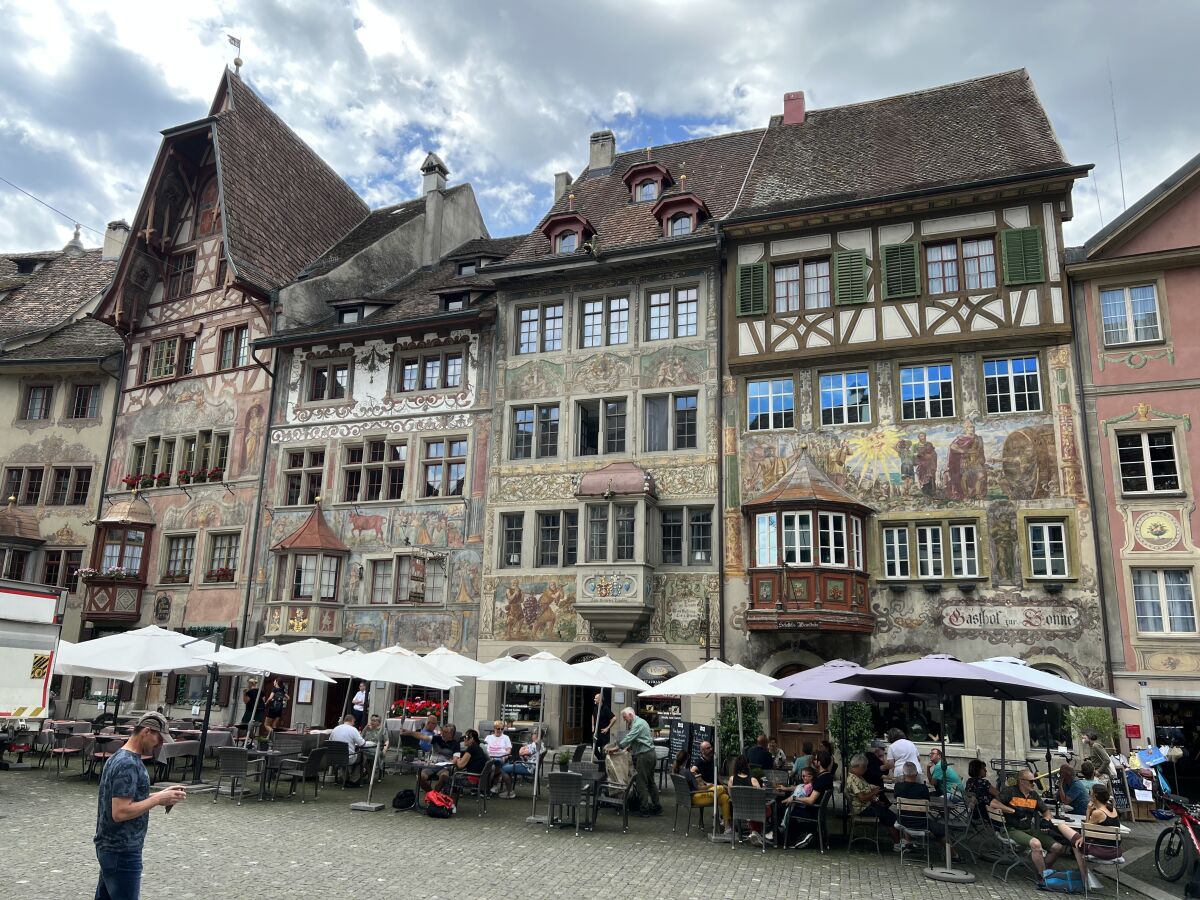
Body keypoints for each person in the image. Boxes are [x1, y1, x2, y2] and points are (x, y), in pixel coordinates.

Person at [93, 712, 187, 900]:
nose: (160, 744)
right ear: (146, 731)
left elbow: (127, 799)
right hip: (122, 851)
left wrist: (160, 795)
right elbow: (120, 812)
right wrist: (157, 800)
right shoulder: (127, 763)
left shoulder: (119, 757)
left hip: (112, 847)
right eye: (159, 738)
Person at [1045, 783, 1119, 892]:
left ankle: (1084, 878)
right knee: (1075, 840)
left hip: (1099, 849)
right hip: (1113, 849)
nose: (1089, 796)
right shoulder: (1112, 810)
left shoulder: (1098, 813)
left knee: (1073, 840)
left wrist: (1088, 810)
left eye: (1090, 793)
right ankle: (1084, 875)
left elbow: (1086, 829)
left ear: (1095, 796)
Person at [991, 768, 1062, 877]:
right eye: (1031, 781)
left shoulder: (1034, 795)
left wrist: (1046, 820)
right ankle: (1044, 877)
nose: (1034, 784)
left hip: (1029, 829)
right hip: (1011, 829)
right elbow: (994, 803)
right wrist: (1012, 810)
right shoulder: (1010, 791)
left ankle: (1043, 872)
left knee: (1057, 847)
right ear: (1022, 781)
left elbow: (1046, 811)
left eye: (1035, 781)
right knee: (1036, 844)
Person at [607, 707, 660, 816]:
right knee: (650, 782)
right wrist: (629, 748)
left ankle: (644, 809)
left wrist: (616, 748)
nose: (625, 720)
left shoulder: (637, 724)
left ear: (631, 715)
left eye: (625, 717)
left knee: (641, 783)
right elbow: (639, 739)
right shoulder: (641, 722)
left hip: (644, 756)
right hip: (650, 754)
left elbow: (629, 737)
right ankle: (657, 806)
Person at [777, 749, 833, 849]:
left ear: (820, 762)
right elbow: (805, 787)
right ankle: (789, 836)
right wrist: (786, 788)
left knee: (780, 807)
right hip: (816, 810)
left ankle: (783, 838)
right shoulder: (825, 776)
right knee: (783, 805)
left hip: (811, 811)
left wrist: (794, 798)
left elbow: (811, 800)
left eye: (815, 760)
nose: (813, 761)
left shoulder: (821, 780)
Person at [845, 753, 902, 848]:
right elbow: (862, 797)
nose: (866, 769)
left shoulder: (858, 776)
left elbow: (866, 790)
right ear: (859, 766)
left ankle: (899, 840)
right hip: (861, 809)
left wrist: (875, 799)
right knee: (889, 816)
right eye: (865, 767)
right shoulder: (852, 779)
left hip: (867, 805)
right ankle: (898, 843)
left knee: (887, 812)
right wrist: (874, 792)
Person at [675, 749, 733, 832]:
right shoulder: (686, 772)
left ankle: (727, 827)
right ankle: (732, 810)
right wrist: (711, 785)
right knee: (721, 788)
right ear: (686, 759)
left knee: (724, 797)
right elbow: (699, 788)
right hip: (695, 797)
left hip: (687, 798)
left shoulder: (677, 771)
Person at [727, 754, 766, 845]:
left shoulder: (732, 779)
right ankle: (756, 832)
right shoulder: (753, 780)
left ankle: (754, 832)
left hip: (738, 810)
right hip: (754, 810)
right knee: (767, 809)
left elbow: (731, 795)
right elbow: (760, 797)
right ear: (747, 765)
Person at [433, 728, 486, 792]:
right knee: (451, 776)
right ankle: (448, 797)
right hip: (477, 779)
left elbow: (460, 765)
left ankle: (435, 795)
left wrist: (457, 758)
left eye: (466, 737)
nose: (464, 739)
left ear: (472, 739)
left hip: (471, 780)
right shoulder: (478, 748)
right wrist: (460, 760)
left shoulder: (471, 748)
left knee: (444, 777)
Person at [499, 729, 543, 799]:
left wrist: (522, 749)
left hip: (527, 767)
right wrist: (524, 750)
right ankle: (509, 789)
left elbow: (521, 752)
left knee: (503, 768)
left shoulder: (535, 745)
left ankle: (509, 792)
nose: (532, 735)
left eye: (533, 733)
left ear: (537, 735)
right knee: (507, 765)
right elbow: (526, 751)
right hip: (530, 765)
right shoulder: (541, 744)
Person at [419, 724, 460, 793]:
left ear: (451, 734)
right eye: (442, 731)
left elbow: (455, 759)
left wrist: (451, 762)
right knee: (420, 777)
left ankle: (434, 796)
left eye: (445, 732)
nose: (442, 733)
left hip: (444, 768)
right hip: (432, 765)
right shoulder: (436, 738)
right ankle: (432, 795)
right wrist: (411, 733)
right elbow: (423, 737)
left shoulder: (455, 744)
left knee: (444, 776)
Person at [329, 714, 367, 787]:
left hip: (334, 758)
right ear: (352, 721)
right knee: (363, 756)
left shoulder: (335, 729)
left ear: (344, 721)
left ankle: (344, 778)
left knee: (345, 757)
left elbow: (330, 741)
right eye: (354, 722)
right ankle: (354, 779)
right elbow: (362, 744)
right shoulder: (353, 729)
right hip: (348, 758)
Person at [484, 721, 513, 793]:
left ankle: (493, 785)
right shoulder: (488, 737)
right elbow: (484, 749)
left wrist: (506, 756)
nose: (500, 730)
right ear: (494, 729)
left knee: (496, 763)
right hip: (489, 757)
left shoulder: (506, 737)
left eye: (502, 729)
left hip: (501, 757)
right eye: (498, 728)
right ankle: (488, 785)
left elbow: (509, 749)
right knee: (490, 765)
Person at [361, 714, 390, 779]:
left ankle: (368, 773)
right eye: (371, 720)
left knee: (362, 754)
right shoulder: (367, 728)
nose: (372, 722)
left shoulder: (382, 730)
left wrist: (384, 750)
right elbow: (360, 738)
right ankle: (369, 773)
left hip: (376, 749)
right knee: (361, 755)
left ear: (379, 722)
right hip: (365, 748)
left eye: (374, 721)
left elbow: (387, 741)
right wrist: (365, 729)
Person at [592, 692, 615, 760]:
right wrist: (593, 726)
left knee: (603, 749)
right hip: (596, 731)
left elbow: (614, 718)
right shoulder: (596, 707)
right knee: (594, 747)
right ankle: (600, 759)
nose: (594, 699)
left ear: (600, 699)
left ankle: (602, 763)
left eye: (596, 698)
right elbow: (593, 715)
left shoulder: (605, 708)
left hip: (603, 733)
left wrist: (607, 728)